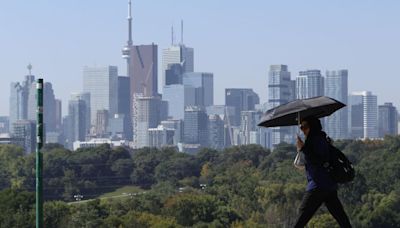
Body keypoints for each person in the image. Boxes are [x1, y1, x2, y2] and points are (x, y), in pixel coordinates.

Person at [294, 116, 352, 228]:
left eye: (304, 126)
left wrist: (303, 148)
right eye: (301, 127)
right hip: (329, 185)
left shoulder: (315, 140)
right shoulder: (321, 138)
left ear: (312, 126)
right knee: (342, 219)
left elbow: (319, 160)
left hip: (317, 185)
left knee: (302, 217)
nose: (302, 130)